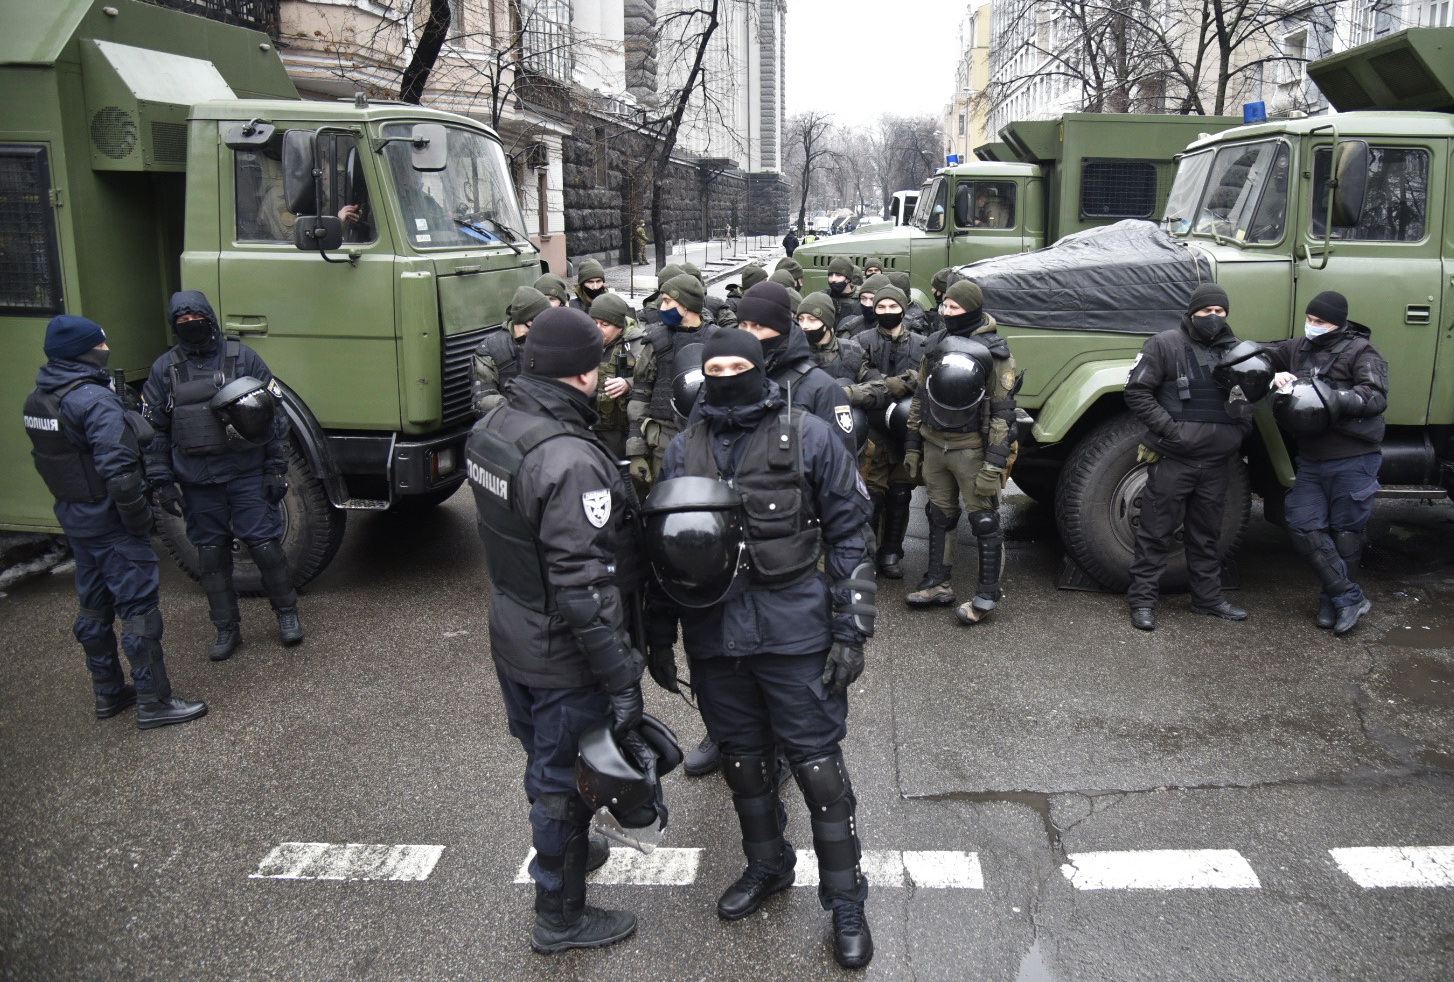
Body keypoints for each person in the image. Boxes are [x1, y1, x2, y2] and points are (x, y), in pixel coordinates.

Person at [646, 329, 875, 968]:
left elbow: (851, 531)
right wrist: (659, 634)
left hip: (794, 628)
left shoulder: (807, 434)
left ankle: (846, 899)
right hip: (716, 635)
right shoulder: (681, 449)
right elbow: (664, 549)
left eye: (738, 365)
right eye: (714, 367)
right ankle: (768, 866)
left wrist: (852, 627)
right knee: (743, 762)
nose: (726, 375)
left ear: (760, 367)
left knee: (818, 768)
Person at [466, 306, 647, 954]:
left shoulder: (494, 427)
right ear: (582, 373)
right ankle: (561, 915)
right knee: (565, 781)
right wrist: (622, 675)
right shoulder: (568, 459)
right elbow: (584, 586)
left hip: (514, 629)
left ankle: (570, 850)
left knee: (544, 756)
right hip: (561, 650)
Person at [25, 316, 208, 729]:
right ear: (87, 350)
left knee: (93, 607)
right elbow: (121, 472)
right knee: (139, 611)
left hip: (78, 519)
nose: (106, 348)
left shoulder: (39, 399)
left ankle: (108, 693)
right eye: (101, 344)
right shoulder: (92, 400)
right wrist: (140, 521)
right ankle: (154, 701)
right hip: (111, 523)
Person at [142, 292, 301, 660]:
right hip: (198, 481)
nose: (190, 324)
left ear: (209, 318)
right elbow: (155, 432)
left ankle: (288, 615)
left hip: (245, 473)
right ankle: (226, 629)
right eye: (181, 321)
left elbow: (274, 418)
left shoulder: (242, 357)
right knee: (211, 557)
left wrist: (276, 470)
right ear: (173, 326)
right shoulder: (164, 369)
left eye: (196, 316)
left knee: (265, 547)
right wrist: (162, 481)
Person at [1123, 283, 1253, 631]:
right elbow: (1137, 391)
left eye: (1220, 311)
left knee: (1206, 534)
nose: (1213, 317)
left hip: (1216, 462)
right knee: (1156, 532)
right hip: (1174, 459)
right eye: (1207, 311)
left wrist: (1237, 433)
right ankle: (1143, 602)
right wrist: (1171, 431)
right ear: (1192, 312)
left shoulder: (1236, 352)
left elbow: (1246, 399)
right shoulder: (1165, 344)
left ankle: (1207, 599)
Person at [1266, 291, 1387, 634]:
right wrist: (1276, 375)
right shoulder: (1298, 347)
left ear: (1338, 322)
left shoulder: (1362, 351)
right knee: (1302, 524)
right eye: (1310, 319)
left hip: (1353, 456)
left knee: (1346, 533)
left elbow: (1375, 396)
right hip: (1313, 459)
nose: (1313, 326)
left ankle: (1330, 601)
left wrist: (1334, 397)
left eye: (1320, 322)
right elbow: (1264, 352)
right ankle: (1347, 596)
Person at [903, 279, 1018, 624]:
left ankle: (986, 595)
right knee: (939, 515)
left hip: (971, 448)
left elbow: (1003, 411)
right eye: (945, 306)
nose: (946, 312)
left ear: (972, 308)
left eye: (954, 307)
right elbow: (922, 396)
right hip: (935, 442)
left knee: (984, 519)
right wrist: (912, 444)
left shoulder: (995, 351)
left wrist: (994, 464)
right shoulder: (937, 343)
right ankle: (938, 582)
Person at [850, 285, 931, 578]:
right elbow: (859, 375)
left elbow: (924, 377)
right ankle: (867, 556)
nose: (886, 312)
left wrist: (896, 384)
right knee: (872, 495)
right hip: (874, 429)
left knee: (900, 494)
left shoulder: (922, 344)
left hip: (907, 429)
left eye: (891, 307)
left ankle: (891, 553)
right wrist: (885, 385)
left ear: (903, 308)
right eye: (880, 307)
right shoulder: (860, 341)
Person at [733, 281, 858, 453]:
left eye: (759, 326)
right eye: (743, 325)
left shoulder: (822, 388)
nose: (749, 334)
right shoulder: (725, 377)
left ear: (781, 327)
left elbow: (841, 465)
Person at [626, 273, 722, 490]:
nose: (662, 307)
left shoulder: (718, 341)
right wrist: (636, 452)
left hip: (708, 443)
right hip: (663, 444)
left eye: (668, 301)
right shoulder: (657, 341)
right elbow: (640, 397)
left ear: (686, 305)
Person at [472, 286, 552, 416]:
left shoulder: (553, 339)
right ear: (528, 319)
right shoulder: (490, 348)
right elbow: (483, 400)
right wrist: (518, 407)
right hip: (508, 423)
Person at [590, 292, 646, 460]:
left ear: (619, 327)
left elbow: (649, 379)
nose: (597, 328)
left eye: (604, 324)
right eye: (594, 323)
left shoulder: (637, 344)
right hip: (590, 427)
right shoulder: (584, 340)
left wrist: (627, 383)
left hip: (620, 432)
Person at [836, 273, 891, 339]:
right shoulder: (851, 326)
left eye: (872, 299)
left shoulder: (898, 329)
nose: (867, 304)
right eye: (863, 298)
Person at [822, 257, 861, 323]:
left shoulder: (861, 300)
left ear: (848, 278)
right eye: (831, 275)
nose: (833, 279)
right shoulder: (823, 298)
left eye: (838, 275)